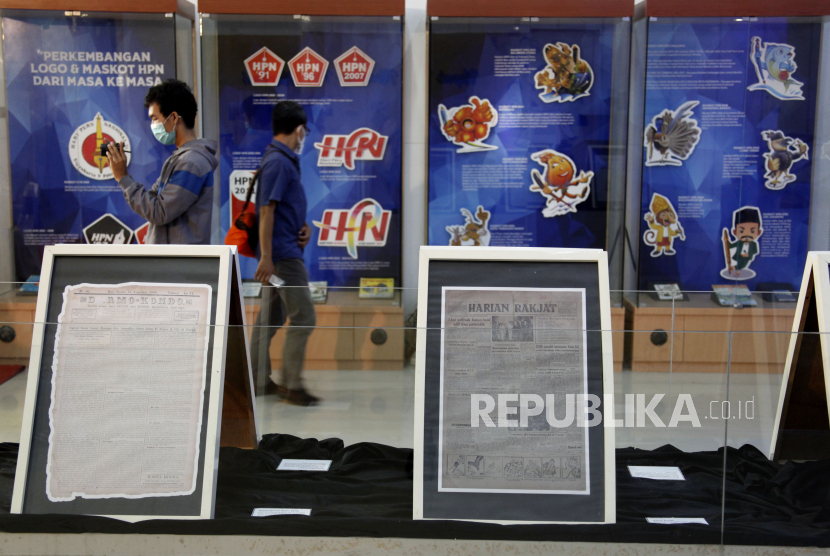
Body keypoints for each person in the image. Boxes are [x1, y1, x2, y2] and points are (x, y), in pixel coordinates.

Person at [250, 100, 318, 406]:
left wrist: (302, 226)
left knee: (270, 317)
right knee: (303, 315)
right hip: (282, 261)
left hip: (278, 256)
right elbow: (266, 211)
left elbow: (281, 208)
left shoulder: (279, 160)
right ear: (300, 129)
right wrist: (267, 257)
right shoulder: (278, 162)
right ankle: (293, 384)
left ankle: (258, 380)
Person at [107, 79, 218, 244]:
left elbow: (158, 212)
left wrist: (122, 177)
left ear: (173, 117)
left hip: (179, 265)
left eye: (154, 118)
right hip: (171, 263)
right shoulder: (180, 158)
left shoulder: (191, 162)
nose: (152, 125)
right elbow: (153, 202)